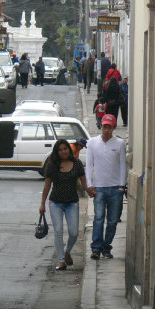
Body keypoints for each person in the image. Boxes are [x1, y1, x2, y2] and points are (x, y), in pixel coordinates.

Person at [40, 139, 92, 270]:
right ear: (57, 152)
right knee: (58, 231)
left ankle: (67, 251)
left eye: (65, 149)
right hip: (55, 202)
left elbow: (84, 181)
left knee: (74, 233)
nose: (63, 151)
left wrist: (90, 191)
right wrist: (42, 205)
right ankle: (62, 260)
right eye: (60, 150)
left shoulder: (77, 163)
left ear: (69, 149)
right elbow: (47, 186)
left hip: (72, 203)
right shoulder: (52, 165)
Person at [85, 114, 126, 259]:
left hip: (115, 187)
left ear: (113, 127)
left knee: (113, 220)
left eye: (109, 127)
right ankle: (96, 248)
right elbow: (89, 165)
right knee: (99, 218)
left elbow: (122, 166)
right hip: (99, 187)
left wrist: (122, 185)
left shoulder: (119, 144)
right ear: (101, 126)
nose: (106, 130)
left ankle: (106, 246)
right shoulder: (92, 142)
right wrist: (89, 184)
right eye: (104, 126)